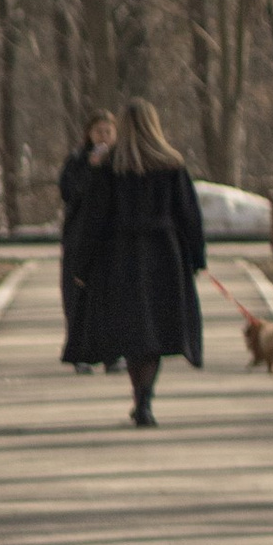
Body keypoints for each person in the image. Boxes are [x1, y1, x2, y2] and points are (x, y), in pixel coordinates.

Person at [71, 93, 204, 426]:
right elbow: (189, 215)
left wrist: (82, 265)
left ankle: (139, 398)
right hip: (164, 255)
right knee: (154, 330)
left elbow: (94, 218)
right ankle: (145, 398)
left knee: (134, 331)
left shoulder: (111, 168)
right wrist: (196, 257)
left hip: (121, 257)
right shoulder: (172, 165)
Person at [57, 107, 114, 366]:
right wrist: (90, 169)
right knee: (78, 295)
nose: (103, 136)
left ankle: (112, 352)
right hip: (79, 238)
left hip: (111, 238)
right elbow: (69, 193)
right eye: (98, 131)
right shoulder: (77, 160)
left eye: (108, 131)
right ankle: (81, 351)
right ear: (89, 134)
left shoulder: (121, 161)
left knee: (111, 297)